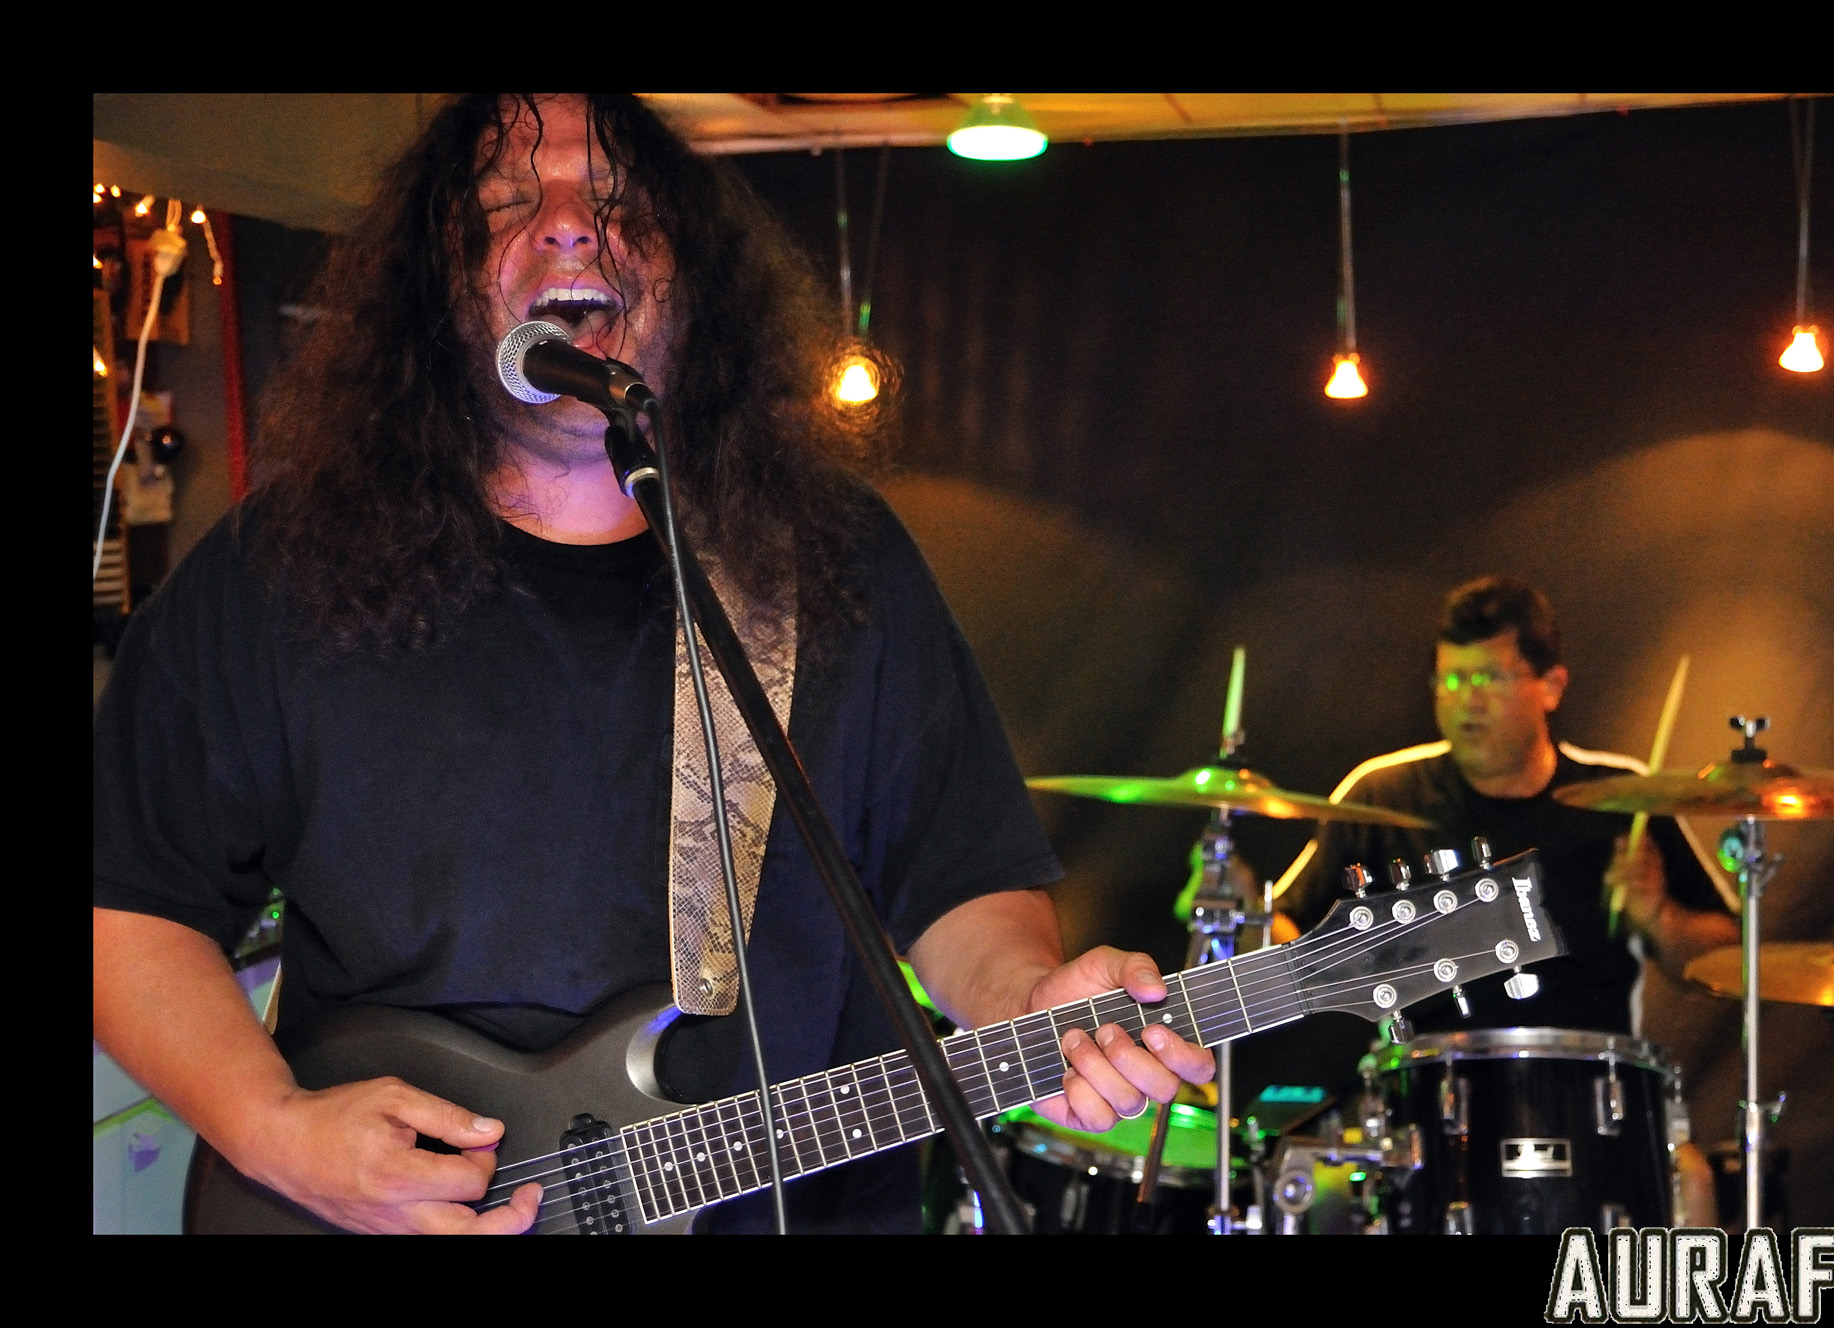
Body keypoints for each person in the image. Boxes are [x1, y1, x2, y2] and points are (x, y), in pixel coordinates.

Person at [92, 93, 1213, 1236]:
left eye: (618, 200)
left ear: (693, 278)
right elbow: (125, 907)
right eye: (504, 203)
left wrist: (1024, 999)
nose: (568, 223)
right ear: (438, 288)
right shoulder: (280, 571)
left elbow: (956, 871)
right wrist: (273, 1126)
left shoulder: (832, 557)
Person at [1281, 575, 1739, 1037]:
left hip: (1587, 1071)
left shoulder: (1623, 801)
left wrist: (1660, 916)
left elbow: (1729, 960)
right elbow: (1288, 935)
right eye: (1452, 679)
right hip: (1427, 1070)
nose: (1468, 701)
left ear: (1551, 686)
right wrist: (1245, 916)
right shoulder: (1383, 795)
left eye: (1489, 678)